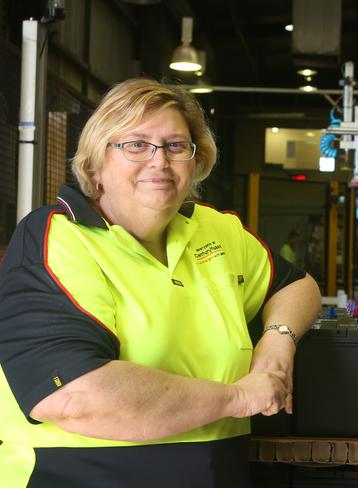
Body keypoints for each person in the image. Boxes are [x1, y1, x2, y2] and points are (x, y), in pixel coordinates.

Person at [0, 78, 321, 488]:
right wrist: (240, 397)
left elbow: (296, 285)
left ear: (196, 160)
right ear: (96, 164)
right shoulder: (57, 239)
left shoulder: (215, 231)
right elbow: (74, 396)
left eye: (175, 146)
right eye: (136, 145)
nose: (159, 162)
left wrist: (277, 343)